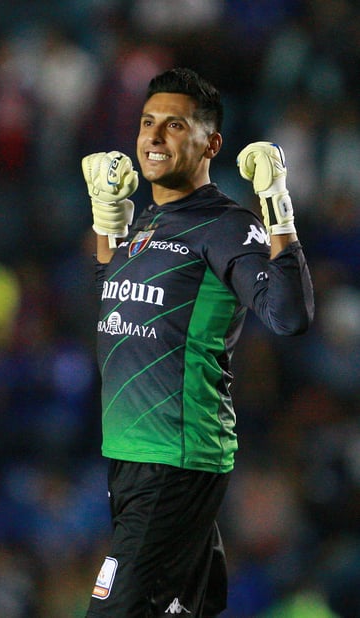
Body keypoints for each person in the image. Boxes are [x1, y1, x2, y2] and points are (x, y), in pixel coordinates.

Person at [81, 67, 314, 617]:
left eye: (174, 125)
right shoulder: (150, 222)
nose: (153, 137)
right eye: (147, 122)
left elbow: (288, 316)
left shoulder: (223, 224)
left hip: (175, 459)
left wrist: (276, 201)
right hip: (133, 457)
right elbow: (116, 302)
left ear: (211, 143)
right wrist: (108, 221)